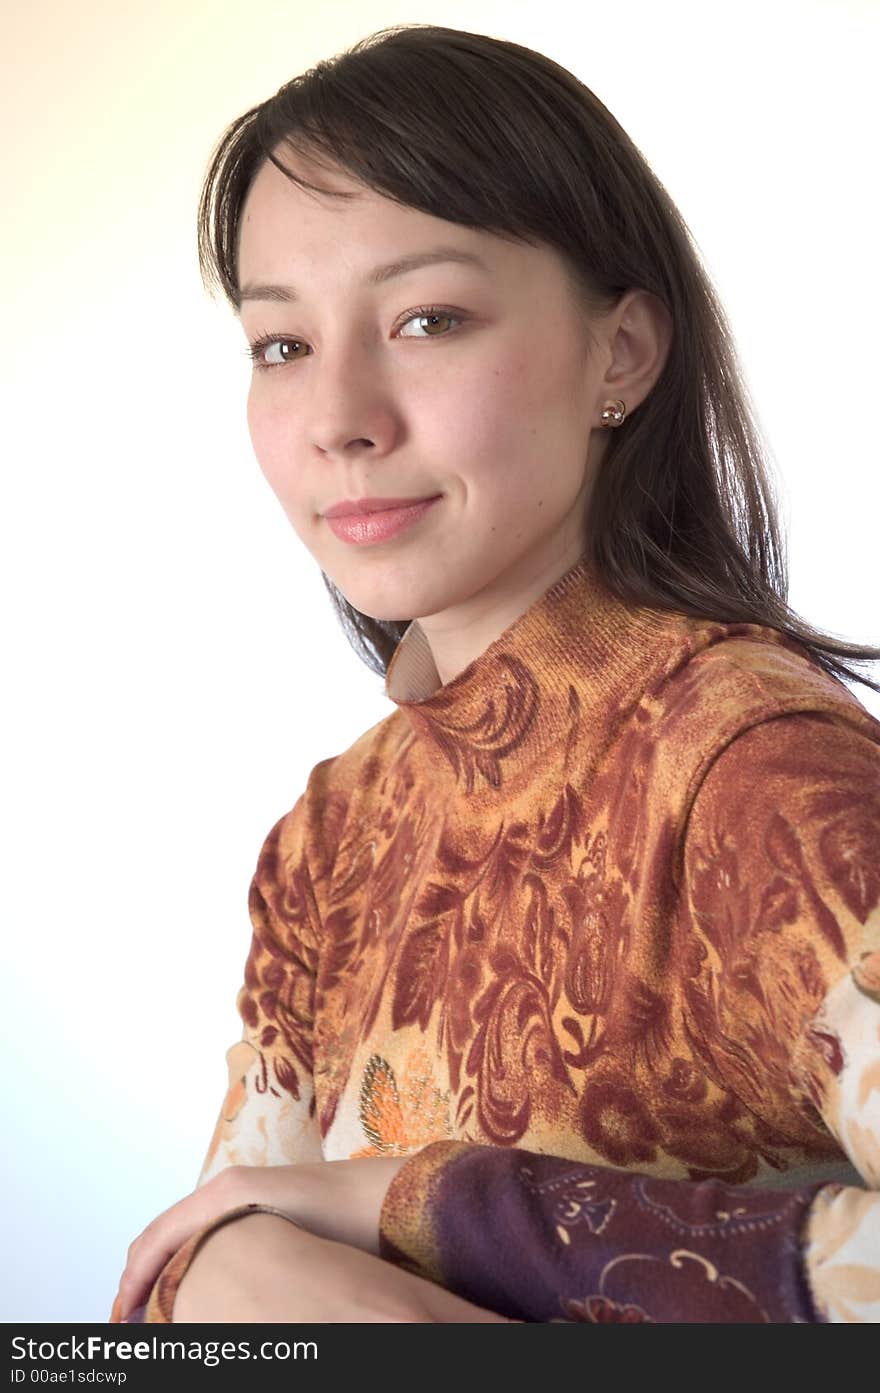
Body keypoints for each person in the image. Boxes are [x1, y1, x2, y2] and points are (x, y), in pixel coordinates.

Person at [111, 22, 880, 1324]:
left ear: (622, 354)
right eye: (282, 344)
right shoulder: (333, 837)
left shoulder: (754, 781)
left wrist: (431, 1200)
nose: (342, 416)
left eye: (428, 318)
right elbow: (193, 1279)